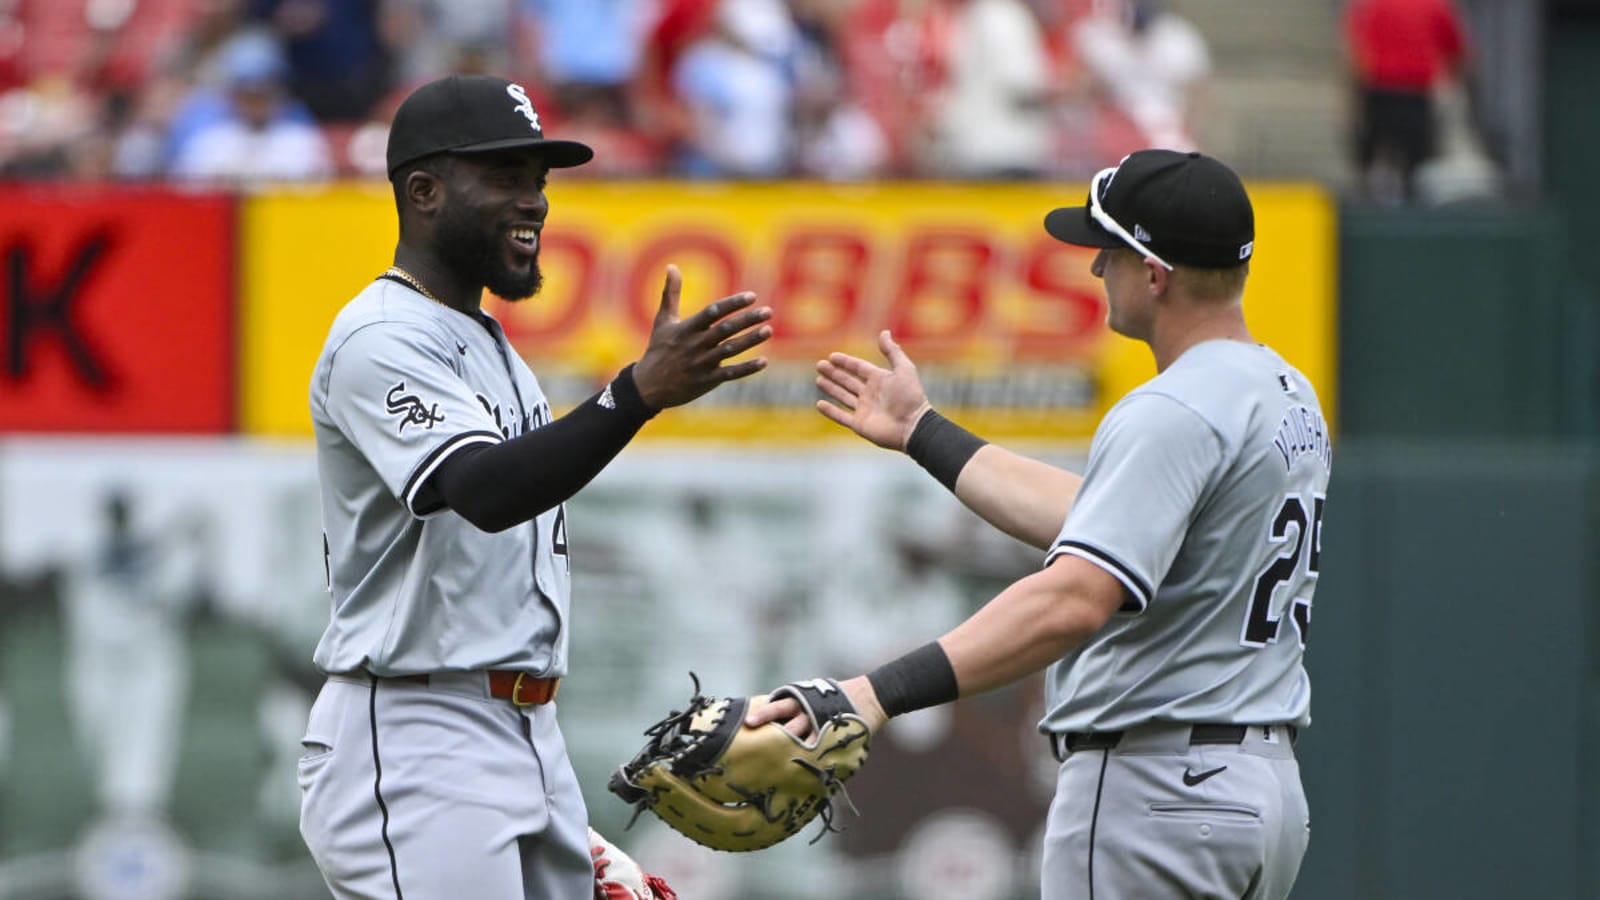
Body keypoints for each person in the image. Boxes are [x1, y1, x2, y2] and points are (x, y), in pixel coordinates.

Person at [750, 149, 1328, 899]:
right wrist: (923, 431)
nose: (1096, 270)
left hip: (1155, 788)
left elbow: (1073, 598)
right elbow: (1096, 518)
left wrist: (873, 694)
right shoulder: (1283, 391)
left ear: (1154, 273)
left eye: (1109, 251)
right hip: (1258, 788)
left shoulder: (1174, 407)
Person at [297, 73, 771, 899]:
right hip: (416, 730)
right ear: (424, 190)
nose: (535, 203)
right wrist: (635, 395)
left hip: (516, 730)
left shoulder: (492, 348)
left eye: (540, 181)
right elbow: (483, 491)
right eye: (506, 177)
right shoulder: (380, 336)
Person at [1344, 0, 1470, 204]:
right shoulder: (1435, 6)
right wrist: (1453, 83)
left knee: (1376, 159)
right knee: (1417, 167)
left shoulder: (1373, 6)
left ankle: (1373, 198)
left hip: (1380, 92)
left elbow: (1356, 52)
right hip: (1414, 95)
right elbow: (1457, 51)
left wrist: (1354, 99)